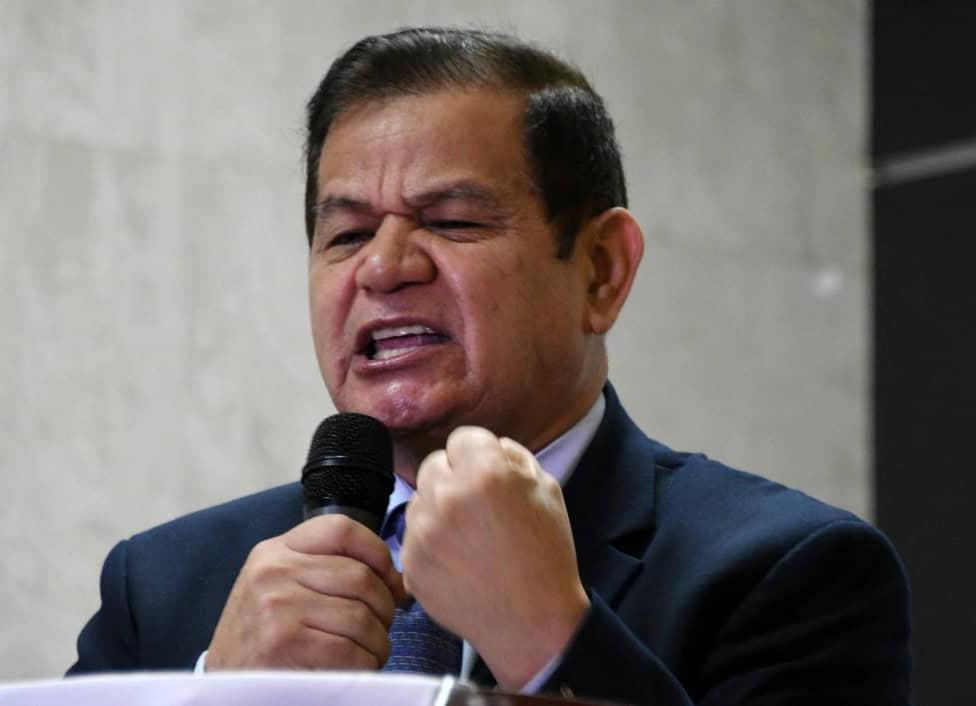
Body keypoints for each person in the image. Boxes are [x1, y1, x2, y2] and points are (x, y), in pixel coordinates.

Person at [68, 27, 911, 705]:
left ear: (601, 272)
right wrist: (215, 693)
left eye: (453, 221)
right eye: (348, 233)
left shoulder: (790, 572)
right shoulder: (164, 584)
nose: (384, 267)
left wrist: (552, 641)